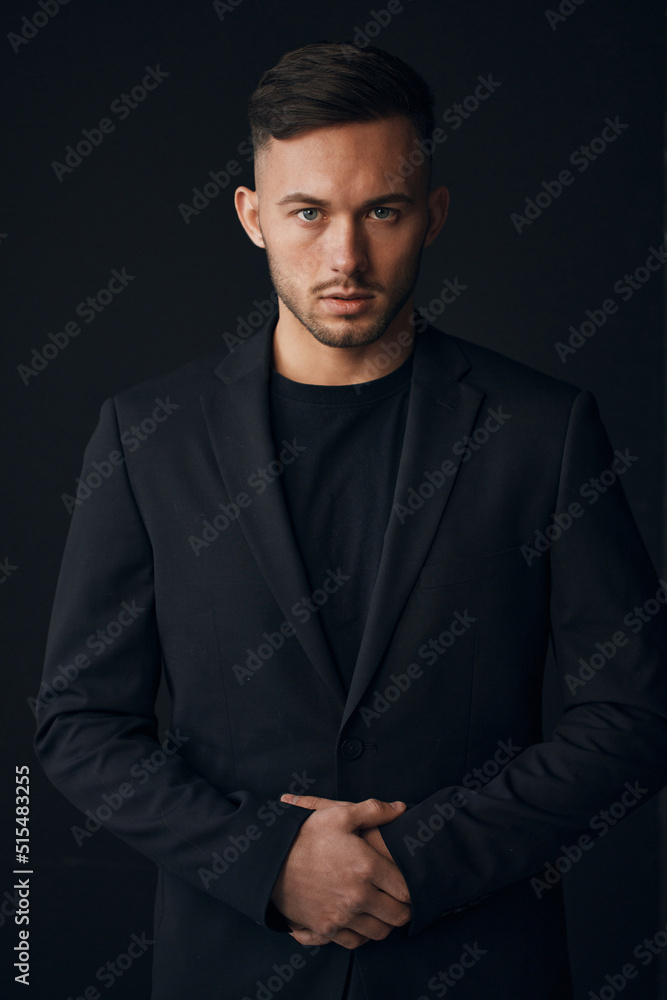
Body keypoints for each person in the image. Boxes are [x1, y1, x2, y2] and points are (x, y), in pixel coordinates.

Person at [35, 41, 667, 1000]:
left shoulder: (543, 431)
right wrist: (269, 859)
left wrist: (417, 860)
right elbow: (79, 724)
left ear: (433, 214)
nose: (346, 257)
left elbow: (636, 714)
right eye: (307, 212)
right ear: (251, 217)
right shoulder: (144, 438)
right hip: (229, 969)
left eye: (382, 210)